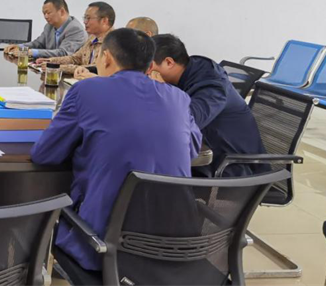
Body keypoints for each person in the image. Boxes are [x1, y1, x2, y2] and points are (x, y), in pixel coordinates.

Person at [31, 28, 201, 271]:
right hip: (173, 245)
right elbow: (191, 149)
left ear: (107, 57)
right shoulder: (179, 98)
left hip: (101, 247)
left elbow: (44, 154)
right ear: (150, 65)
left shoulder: (86, 91)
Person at [149, 34, 267, 177]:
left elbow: (184, 123)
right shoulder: (187, 73)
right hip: (209, 158)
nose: (146, 72)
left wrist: (162, 91)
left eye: (149, 66)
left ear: (169, 62)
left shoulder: (212, 86)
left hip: (232, 170)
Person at [36, 2, 115, 77]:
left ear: (104, 21)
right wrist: (50, 61)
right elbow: (75, 58)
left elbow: (95, 68)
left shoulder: (114, 42)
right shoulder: (92, 37)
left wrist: (58, 67)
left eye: (88, 18)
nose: (85, 22)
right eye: (84, 18)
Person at [4, 0, 85, 58]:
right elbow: (38, 44)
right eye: (44, 14)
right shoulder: (49, 26)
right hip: (48, 66)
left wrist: (30, 52)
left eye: (48, 13)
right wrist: (19, 46)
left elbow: (63, 53)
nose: (45, 17)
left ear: (62, 12)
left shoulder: (75, 29)